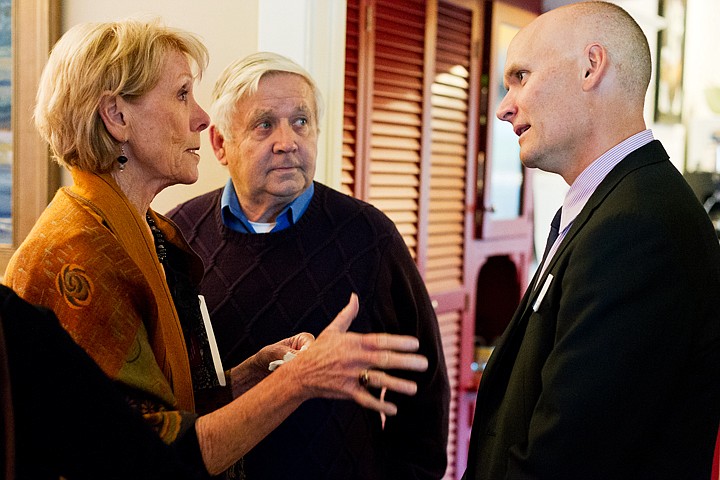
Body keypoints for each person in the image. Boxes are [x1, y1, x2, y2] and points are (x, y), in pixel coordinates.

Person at [2, 19, 431, 479]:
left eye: (301, 122)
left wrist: (251, 375)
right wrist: (300, 379)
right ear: (117, 117)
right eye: (183, 93)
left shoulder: (147, 233)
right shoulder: (79, 254)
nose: (201, 117)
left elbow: (168, 405)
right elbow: (151, 454)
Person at [462, 2, 720, 479]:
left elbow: (568, 456)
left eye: (521, 76)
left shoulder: (638, 228)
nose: (503, 107)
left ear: (590, 66)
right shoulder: (611, 205)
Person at [167, 51, 450, 479]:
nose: (288, 141)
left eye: (301, 121)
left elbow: (423, 387)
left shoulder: (369, 236)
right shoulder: (178, 236)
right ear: (221, 144)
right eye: (265, 125)